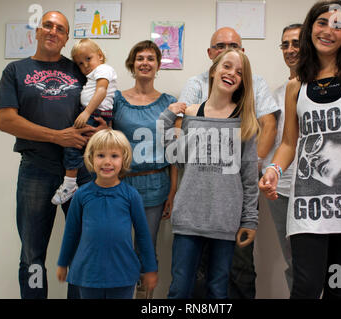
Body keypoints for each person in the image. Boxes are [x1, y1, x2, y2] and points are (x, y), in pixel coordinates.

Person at [260, 0, 341, 299]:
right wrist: (273, 169)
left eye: (338, 25)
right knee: (305, 285)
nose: (328, 30)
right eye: (321, 22)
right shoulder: (297, 86)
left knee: (337, 286)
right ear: (310, 28)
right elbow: (290, 143)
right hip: (308, 203)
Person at [0, 11, 107, 299]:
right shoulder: (15, 71)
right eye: (48, 25)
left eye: (60, 28)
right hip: (37, 168)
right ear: (37, 30)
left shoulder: (79, 69)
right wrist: (58, 136)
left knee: (85, 248)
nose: (53, 31)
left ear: (66, 37)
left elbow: (100, 102)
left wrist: (102, 126)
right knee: (32, 252)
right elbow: (6, 121)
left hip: (81, 168)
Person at [178, 26, 279, 299]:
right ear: (210, 55)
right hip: (197, 198)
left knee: (238, 267)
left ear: (243, 52)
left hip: (234, 196)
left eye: (233, 45)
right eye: (220, 46)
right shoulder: (194, 84)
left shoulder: (254, 82)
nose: (227, 50)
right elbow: (179, 134)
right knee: (196, 272)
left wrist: (249, 167)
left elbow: (268, 124)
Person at [160, 49, 260, 299]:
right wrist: (167, 118)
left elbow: (249, 177)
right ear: (214, 70)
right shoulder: (192, 114)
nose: (232, 74)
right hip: (189, 218)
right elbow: (176, 158)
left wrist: (249, 220)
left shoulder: (245, 120)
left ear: (243, 81)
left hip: (225, 221)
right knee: (179, 289)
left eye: (239, 72)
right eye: (227, 67)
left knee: (218, 290)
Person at [56, 129, 158, 299]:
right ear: (91, 158)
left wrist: (149, 269)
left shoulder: (131, 195)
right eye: (101, 155)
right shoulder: (81, 195)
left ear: (124, 158)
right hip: (88, 274)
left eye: (114, 156)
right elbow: (71, 232)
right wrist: (62, 262)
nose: (107, 162)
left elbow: (143, 235)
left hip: (123, 273)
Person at [112, 40, 178, 298]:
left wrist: (172, 191)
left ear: (158, 65)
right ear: (132, 64)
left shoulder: (168, 102)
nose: (145, 63)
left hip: (155, 185)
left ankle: (143, 298)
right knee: (116, 244)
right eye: (140, 58)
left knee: (146, 247)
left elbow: (173, 151)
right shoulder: (116, 100)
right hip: (120, 184)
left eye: (151, 58)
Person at [261, 23, 302, 293]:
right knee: (294, 263)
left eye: (296, 43)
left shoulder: (329, 90)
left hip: (319, 192)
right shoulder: (276, 95)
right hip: (283, 192)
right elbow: (278, 141)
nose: (290, 50)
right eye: (285, 44)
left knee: (332, 266)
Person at [51, 38, 117, 205]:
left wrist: (86, 112)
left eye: (88, 58)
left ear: (100, 56)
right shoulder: (93, 74)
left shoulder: (104, 69)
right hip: (93, 112)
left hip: (94, 112)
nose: (85, 65)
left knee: (73, 144)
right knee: (82, 147)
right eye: (80, 63)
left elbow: (101, 91)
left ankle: (70, 184)